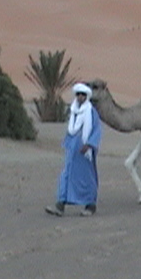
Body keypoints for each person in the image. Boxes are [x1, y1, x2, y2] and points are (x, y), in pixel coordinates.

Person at [45, 82, 102, 217]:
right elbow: (71, 131)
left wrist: (89, 144)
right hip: (72, 151)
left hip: (85, 153)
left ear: (87, 96)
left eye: (83, 95)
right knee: (66, 175)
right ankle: (60, 204)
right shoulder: (73, 110)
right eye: (78, 94)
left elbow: (96, 130)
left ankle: (90, 205)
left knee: (87, 178)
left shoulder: (91, 112)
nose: (80, 97)